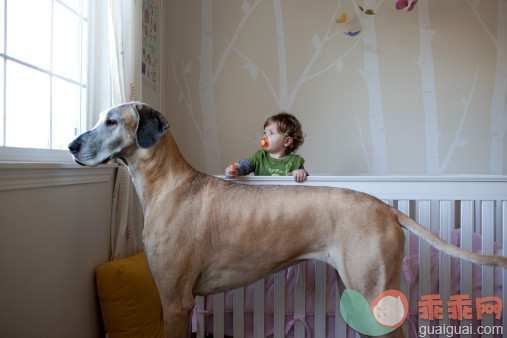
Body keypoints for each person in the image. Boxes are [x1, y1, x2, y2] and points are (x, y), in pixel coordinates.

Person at [225, 112, 309, 183]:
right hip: (263, 197)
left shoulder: (295, 161)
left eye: (271, 133)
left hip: (284, 198)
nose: (265, 136)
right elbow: (246, 166)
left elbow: (307, 178)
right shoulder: (259, 156)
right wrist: (235, 170)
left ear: (287, 141)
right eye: (265, 132)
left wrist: (301, 173)